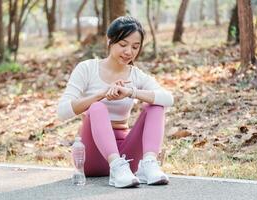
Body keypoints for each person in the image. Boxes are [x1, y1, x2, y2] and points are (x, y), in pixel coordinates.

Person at [57, 16, 174, 188]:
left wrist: (131, 92)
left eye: (135, 47)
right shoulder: (87, 69)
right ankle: (115, 166)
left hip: (127, 160)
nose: (129, 52)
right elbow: (62, 112)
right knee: (97, 107)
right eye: (123, 44)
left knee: (155, 105)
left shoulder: (135, 75)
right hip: (92, 157)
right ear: (110, 41)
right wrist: (100, 94)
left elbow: (168, 98)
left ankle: (148, 164)